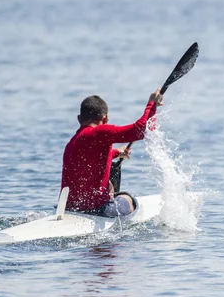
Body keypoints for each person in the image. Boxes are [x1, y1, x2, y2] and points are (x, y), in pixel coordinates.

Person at [61, 89, 164, 217]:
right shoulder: (99, 132)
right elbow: (142, 130)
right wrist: (151, 104)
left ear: (79, 119)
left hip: (70, 208)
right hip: (97, 211)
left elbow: (90, 158)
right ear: (105, 119)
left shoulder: (73, 142)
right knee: (127, 198)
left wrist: (116, 153)